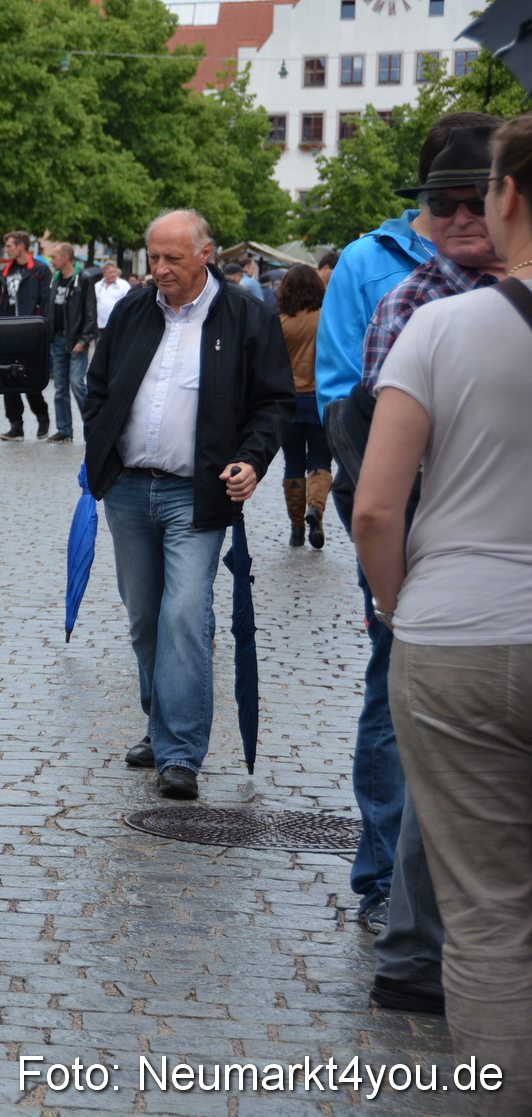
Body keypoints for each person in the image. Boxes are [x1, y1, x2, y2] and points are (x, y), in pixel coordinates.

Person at [352, 111, 532, 1113]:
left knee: (490, 916)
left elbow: (376, 504)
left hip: (460, 633)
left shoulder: (437, 324)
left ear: (506, 197)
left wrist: (400, 605)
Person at [314, 109, 498, 938]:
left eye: (477, 198)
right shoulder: (385, 278)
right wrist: (382, 554)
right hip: (408, 524)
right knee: (396, 692)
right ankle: (385, 874)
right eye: (444, 201)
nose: (459, 217)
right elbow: (345, 403)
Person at [82, 209, 294, 798]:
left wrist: (252, 460)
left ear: (207, 254)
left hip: (197, 493)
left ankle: (180, 752)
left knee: (184, 614)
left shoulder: (247, 315)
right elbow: (96, 388)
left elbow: (274, 402)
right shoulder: (132, 310)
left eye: (172, 258)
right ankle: (161, 722)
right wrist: (101, 442)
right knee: (145, 615)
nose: (160, 269)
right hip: (128, 488)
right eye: (153, 257)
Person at [272, 265, 332, 548]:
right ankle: (315, 508)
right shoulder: (328, 319)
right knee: (320, 460)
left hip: (289, 401)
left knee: (293, 462)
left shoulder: (281, 323)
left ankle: (296, 527)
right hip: (321, 399)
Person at [0, 230, 52, 441]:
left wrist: (43, 329)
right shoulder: (5, 271)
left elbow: (46, 302)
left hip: (30, 331)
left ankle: (42, 416)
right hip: (6, 331)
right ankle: (15, 425)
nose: (6, 249)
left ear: (20, 246)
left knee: (30, 378)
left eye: (9, 246)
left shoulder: (39, 270)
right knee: (8, 379)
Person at [45, 242, 93, 443]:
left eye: (54, 257)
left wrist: (84, 339)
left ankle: (93, 426)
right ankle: (64, 429)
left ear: (65, 257)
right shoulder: (55, 279)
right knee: (60, 388)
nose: (52, 260)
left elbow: (90, 312)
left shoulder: (83, 279)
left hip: (76, 341)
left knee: (77, 383)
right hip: (57, 340)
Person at [93, 260, 130, 342]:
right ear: (104, 274)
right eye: (110, 272)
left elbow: (130, 302)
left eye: (115, 272)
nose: (113, 275)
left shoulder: (124, 285)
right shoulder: (97, 286)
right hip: (100, 325)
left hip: (118, 325)